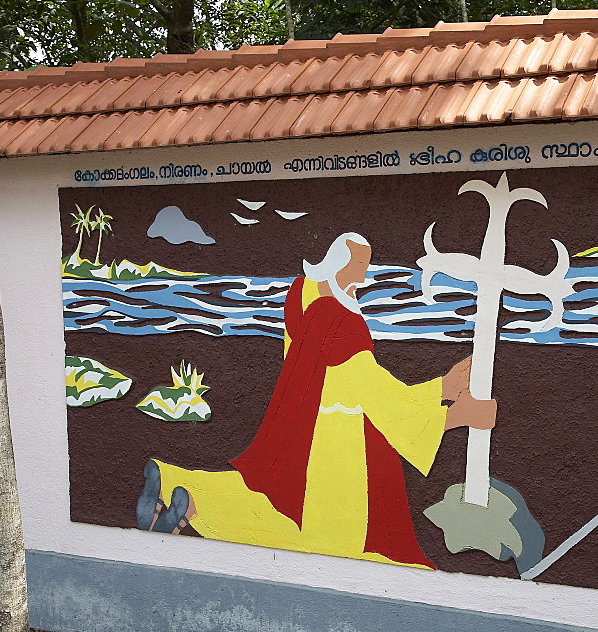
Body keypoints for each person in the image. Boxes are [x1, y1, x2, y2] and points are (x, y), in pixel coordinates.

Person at [137, 232, 496, 569]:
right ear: (339, 264)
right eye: (359, 266)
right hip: (341, 448)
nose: (364, 275)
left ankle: (175, 486)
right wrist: (451, 410)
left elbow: (335, 382)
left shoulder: (301, 299)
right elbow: (377, 396)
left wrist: (441, 390)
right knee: (322, 537)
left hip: (302, 427)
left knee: (273, 503)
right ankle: (193, 504)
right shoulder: (345, 324)